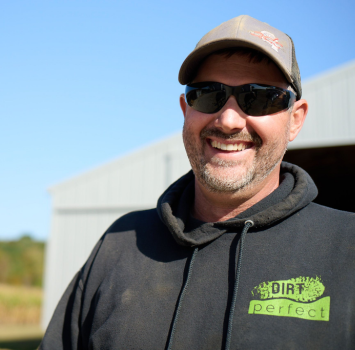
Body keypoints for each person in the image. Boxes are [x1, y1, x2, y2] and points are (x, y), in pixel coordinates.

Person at [40, 15, 355, 349]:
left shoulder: (346, 247)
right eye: (208, 94)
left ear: (296, 119)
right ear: (185, 110)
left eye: (259, 98)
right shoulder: (120, 244)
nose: (229, 120)